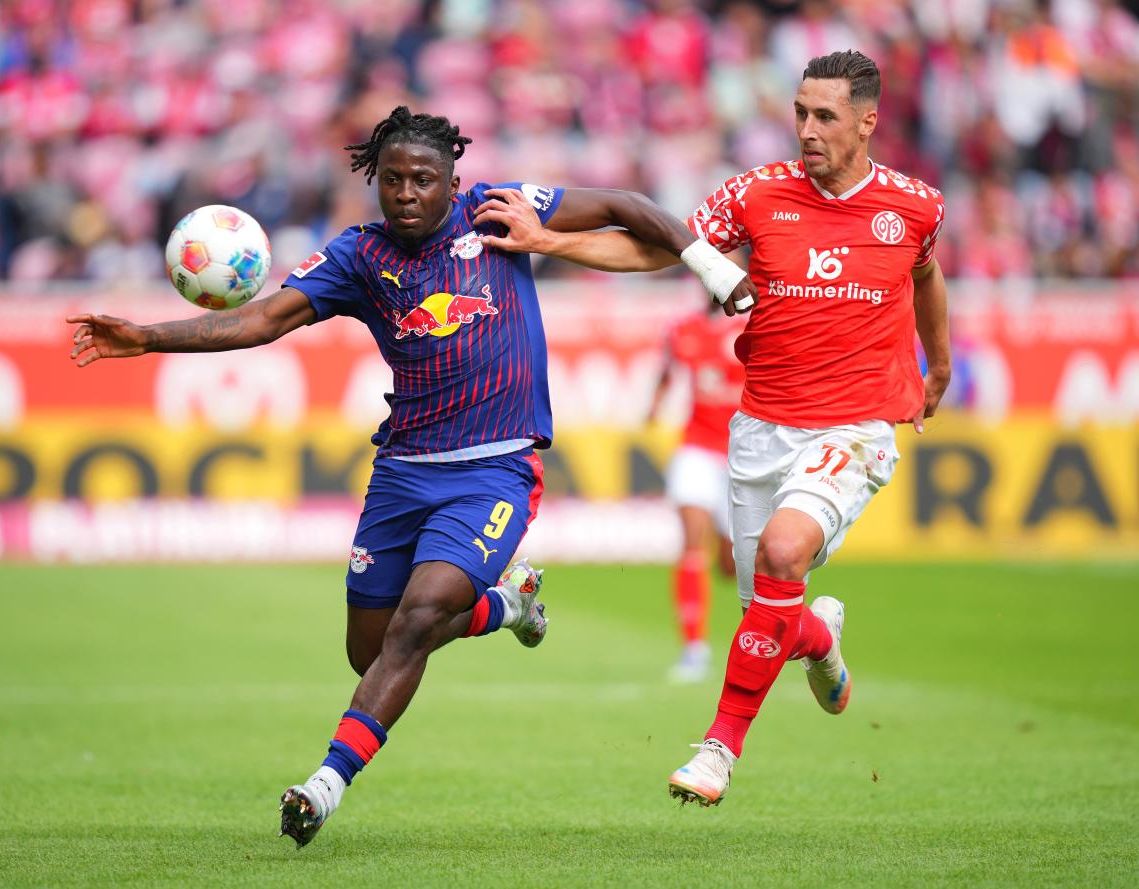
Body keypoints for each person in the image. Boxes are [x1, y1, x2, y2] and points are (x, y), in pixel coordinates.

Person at [66, 107, 741, 846]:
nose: (407, 193)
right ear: (376, 182)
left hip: (495, 467)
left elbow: (624, 205)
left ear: (453, 180)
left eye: (423, 179)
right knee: (373, 650)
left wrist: (707, 263)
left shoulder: (498, 212)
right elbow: (265, 320)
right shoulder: (359, 255)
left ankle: (325, 784)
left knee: (417, 621)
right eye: (393, 180)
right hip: (402, 471)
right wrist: (146, 337)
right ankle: (506, 607)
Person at [473, 50, 950, 808]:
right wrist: (549, 242)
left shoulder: (914, 205)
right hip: (762, 428)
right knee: (769, 612)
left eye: (825, 116)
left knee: (785, 553)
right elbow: (655, 249)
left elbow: (924, 273)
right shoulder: (756, 194)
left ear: (867, 122)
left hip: (855, 425)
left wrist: (939, 364)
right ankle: (819, 639)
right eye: (800, 112)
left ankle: (718, 749)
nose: (807, 129)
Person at [648, 307, 745, 683]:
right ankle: (693, 650)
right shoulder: (682, 328)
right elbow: (666, 370)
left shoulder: (752, 324)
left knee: (732, 565)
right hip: (697, 448)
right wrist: (655, 405)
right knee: (691, 542)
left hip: (743, 453)